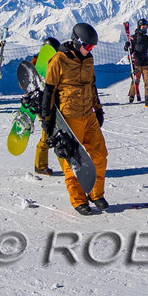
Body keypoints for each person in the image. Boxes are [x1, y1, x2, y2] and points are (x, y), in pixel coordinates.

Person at [42, 22, 109, 214]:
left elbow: (92, 85)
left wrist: (98, 109)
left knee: (100, 154)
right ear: (77, 41)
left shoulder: (88, 59)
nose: (90, 50)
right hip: (69, 118)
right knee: (74, 161)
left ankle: (96, 194)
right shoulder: (59, 60)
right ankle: (79, 200)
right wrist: (47, 119)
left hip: (88, 114)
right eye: (87, 46)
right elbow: (49, 91)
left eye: (92, 47)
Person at [31, 36, 61, 176]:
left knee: (54, 133)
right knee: (48, 134)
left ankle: (42, 165)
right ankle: (40, 165)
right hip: (44, 105)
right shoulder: (38, 63)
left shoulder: (54, 62)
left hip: (54, 103)